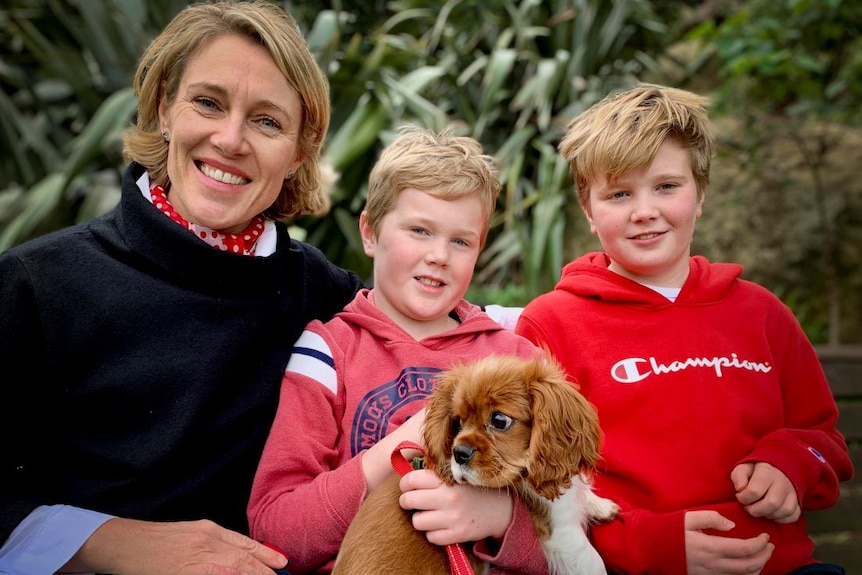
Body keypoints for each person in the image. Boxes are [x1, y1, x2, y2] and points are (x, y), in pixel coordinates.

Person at [0, 2, 365, 574]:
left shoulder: (325, 296)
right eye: (208, 102)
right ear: (166, 107)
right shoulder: (38, 285)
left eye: (267, 121)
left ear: (298, 153)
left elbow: (464, 348)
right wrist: (108, 540)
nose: (230, 139)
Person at [514, 83, 854, 575]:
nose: (644, 210)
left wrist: (790, 464)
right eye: (619, 194)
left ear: (700, 195)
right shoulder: (551, 325)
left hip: (784, 567)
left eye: (666, 186)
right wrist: (650, 545)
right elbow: (533, 484)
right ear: (589, 211)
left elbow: (820, 437)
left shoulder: (761, 313)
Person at [247, 125, 550, 574]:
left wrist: (502, 520)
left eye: (461, 241)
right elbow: (276, 533)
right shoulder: (328, 351)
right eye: (419, 230)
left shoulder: (515, 358)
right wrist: (396, 447)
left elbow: (574, 526)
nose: (439, 256)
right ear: (369, 232)